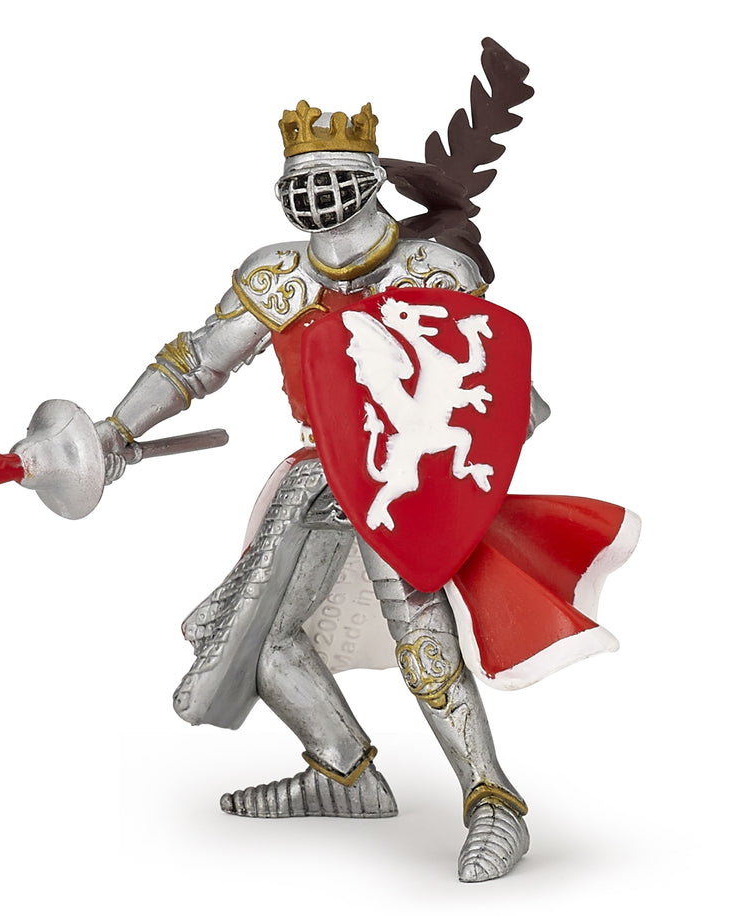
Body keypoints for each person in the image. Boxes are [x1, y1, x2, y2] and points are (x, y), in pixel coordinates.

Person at [82, 99, 637, 882]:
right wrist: (116, 429)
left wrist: (436, 478)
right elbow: (195, 363)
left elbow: (508, 403)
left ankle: (493, 802)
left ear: (373, 179)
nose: (316, 193)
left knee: (425, 642)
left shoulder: (435, 274)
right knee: (251, 634)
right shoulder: (278, 276)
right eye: (302, 179)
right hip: (318, 479)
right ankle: (343, 771)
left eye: (333, 176)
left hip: (409, 487)